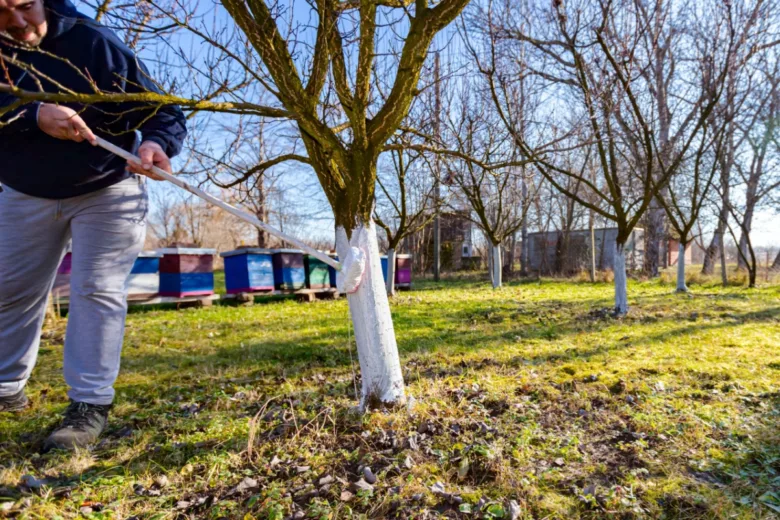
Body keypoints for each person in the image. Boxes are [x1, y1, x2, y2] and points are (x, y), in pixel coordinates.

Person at [0, 0, 186, 450]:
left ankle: (89, 405)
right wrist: (32, 114)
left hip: (108, 188)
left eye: (27, 6)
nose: (21, 23)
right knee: (9, 290)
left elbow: (161, 111)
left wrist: (157, 144)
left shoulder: (93, 41)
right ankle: (6, 389)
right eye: (3, 11)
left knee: (95, 289)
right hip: (24, 189)